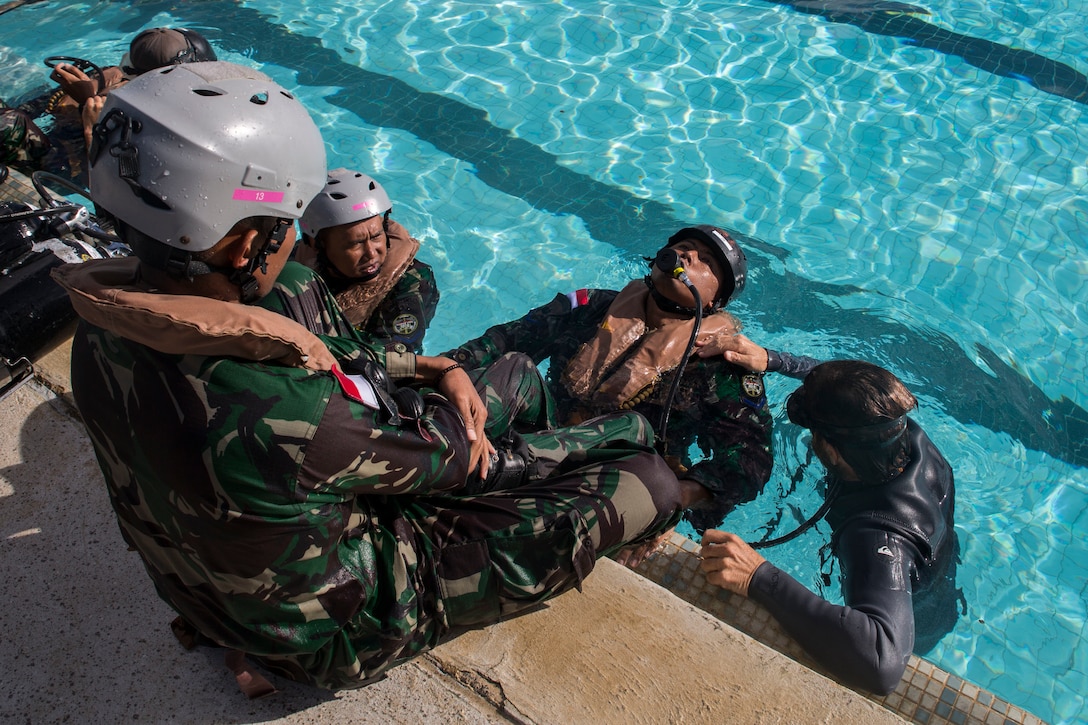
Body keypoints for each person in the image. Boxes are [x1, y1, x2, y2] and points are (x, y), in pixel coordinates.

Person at [52, 60, 686, 691]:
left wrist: (433, 365)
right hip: (334, 630)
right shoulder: (293, 412)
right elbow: (452, 455)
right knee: (649, 482)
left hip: (204, 586)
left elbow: (333, 359)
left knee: (311, 294)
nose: (293, 243)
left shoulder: (100, 332)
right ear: (244, 248)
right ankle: (610, 465)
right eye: (285, 227)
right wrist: (579, 438)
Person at [446, 226, 775, 533]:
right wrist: (445, 369)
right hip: (539, 434)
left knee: (633, 426)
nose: (689, 256)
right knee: (516, 366)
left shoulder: (719, 363)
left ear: (715, 302)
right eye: (684, 247)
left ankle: (495, 470)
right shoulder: (592, 306)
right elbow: (503, 340)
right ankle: (447, 441)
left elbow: (751, 461)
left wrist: (676, 496)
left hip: (611, 480)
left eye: (707, 262)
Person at [697, 349, 959, 695]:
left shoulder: (877, 534)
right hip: (937, 567)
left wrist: (758, 577)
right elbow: (852, 385)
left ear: (832, 452)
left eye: (814, 432)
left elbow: (883, 664)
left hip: (914, 615)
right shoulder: (900, 430)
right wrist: (772, 360)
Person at [17, 27, 216, 176]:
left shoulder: (157, 118)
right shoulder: (109, 77)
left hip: (61, 165)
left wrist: (92, 123)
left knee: (11, 122)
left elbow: (112, 189)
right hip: (50, 151)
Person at [295, 168, 439, 354]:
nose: (371, 254)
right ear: (317, 244)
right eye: (355, 244)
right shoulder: (296, 262)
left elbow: (396, 355)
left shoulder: (410, 281)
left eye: (376, 236)